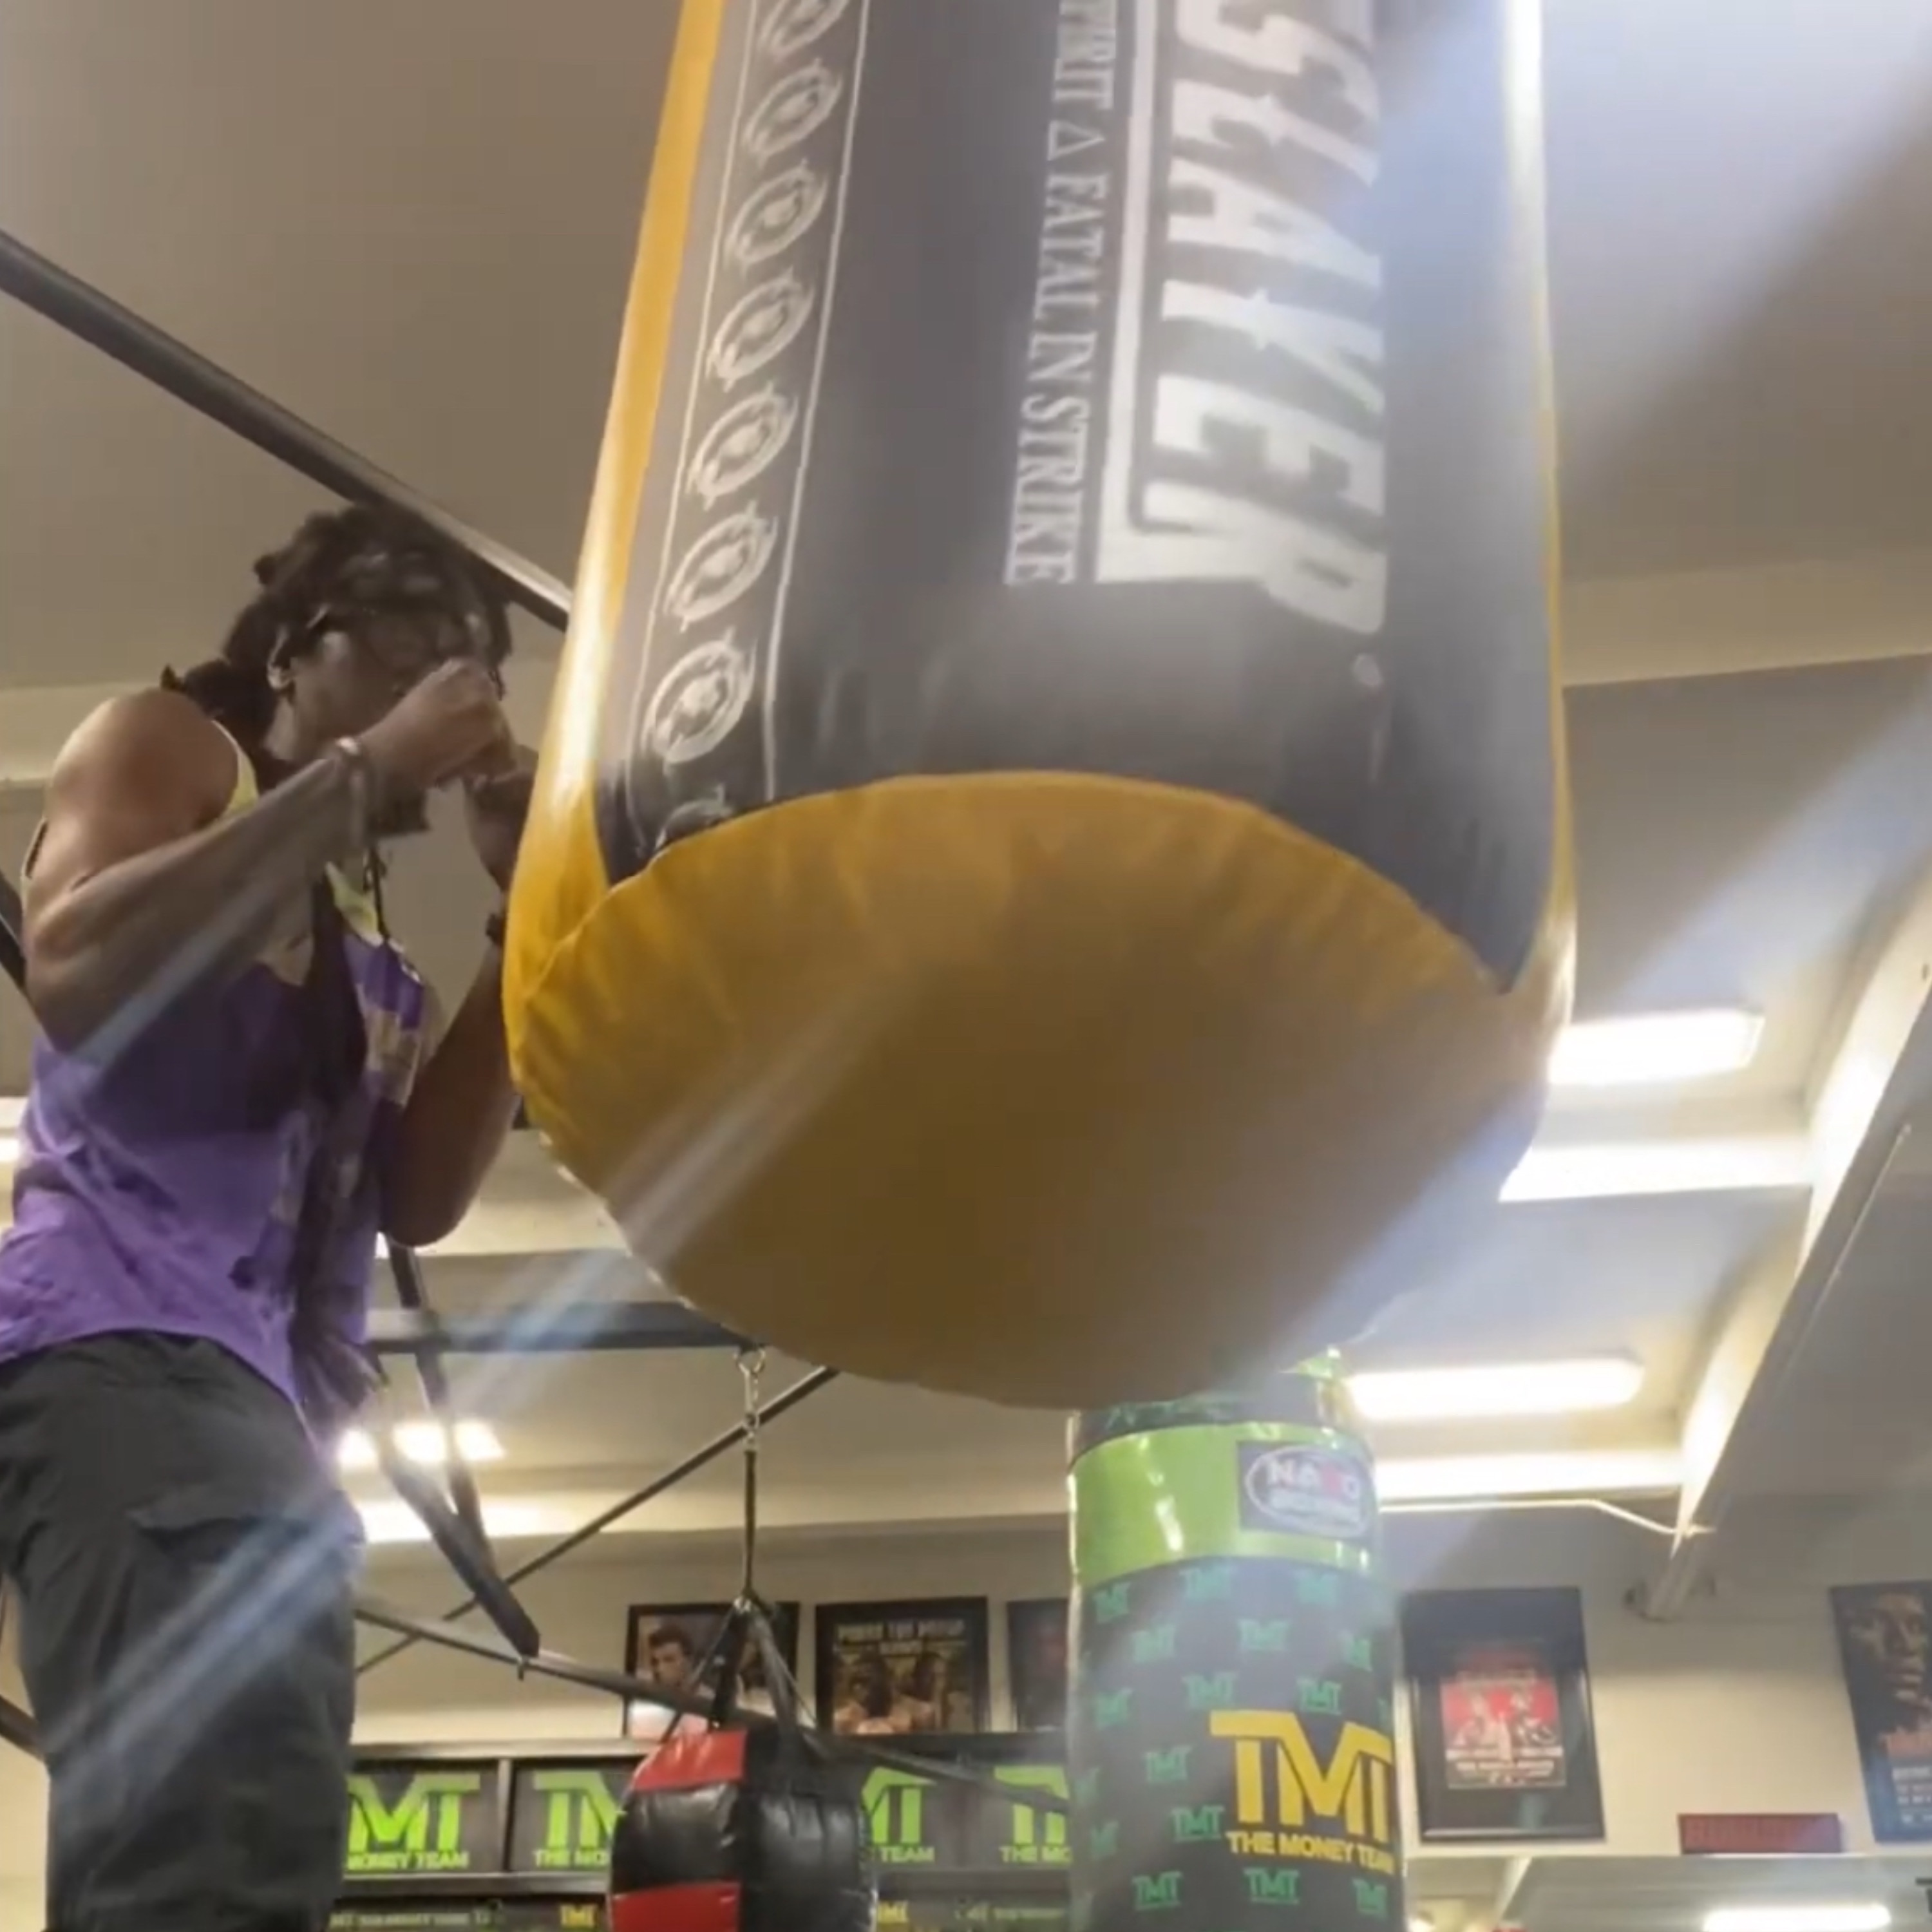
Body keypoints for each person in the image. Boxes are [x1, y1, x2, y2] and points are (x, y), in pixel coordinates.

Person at [0, 504, 534, 1932]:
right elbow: (76, 967)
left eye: (475, 666)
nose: (453, 683)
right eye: (413, 642)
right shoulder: (178, 751)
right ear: (297, 651)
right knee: (210, 1856)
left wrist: (522, 909)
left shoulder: (372, 945)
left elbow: (419, 1199)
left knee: (250, 1845)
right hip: (130, 1347)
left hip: (265, 1413)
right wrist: (364, 772)